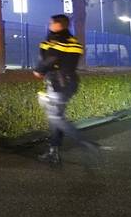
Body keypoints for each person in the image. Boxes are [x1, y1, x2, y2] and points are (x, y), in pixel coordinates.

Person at [33, 14, 100, 166]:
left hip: (58, 84)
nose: (49, 25)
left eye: (52, 23)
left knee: (56, 118)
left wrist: (38, 70)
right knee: (55, 117)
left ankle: (85, 142)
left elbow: (51, 59)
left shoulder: (57, 43)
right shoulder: (73, 42)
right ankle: (53, 152)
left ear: (59, 25)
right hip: (70, 83)